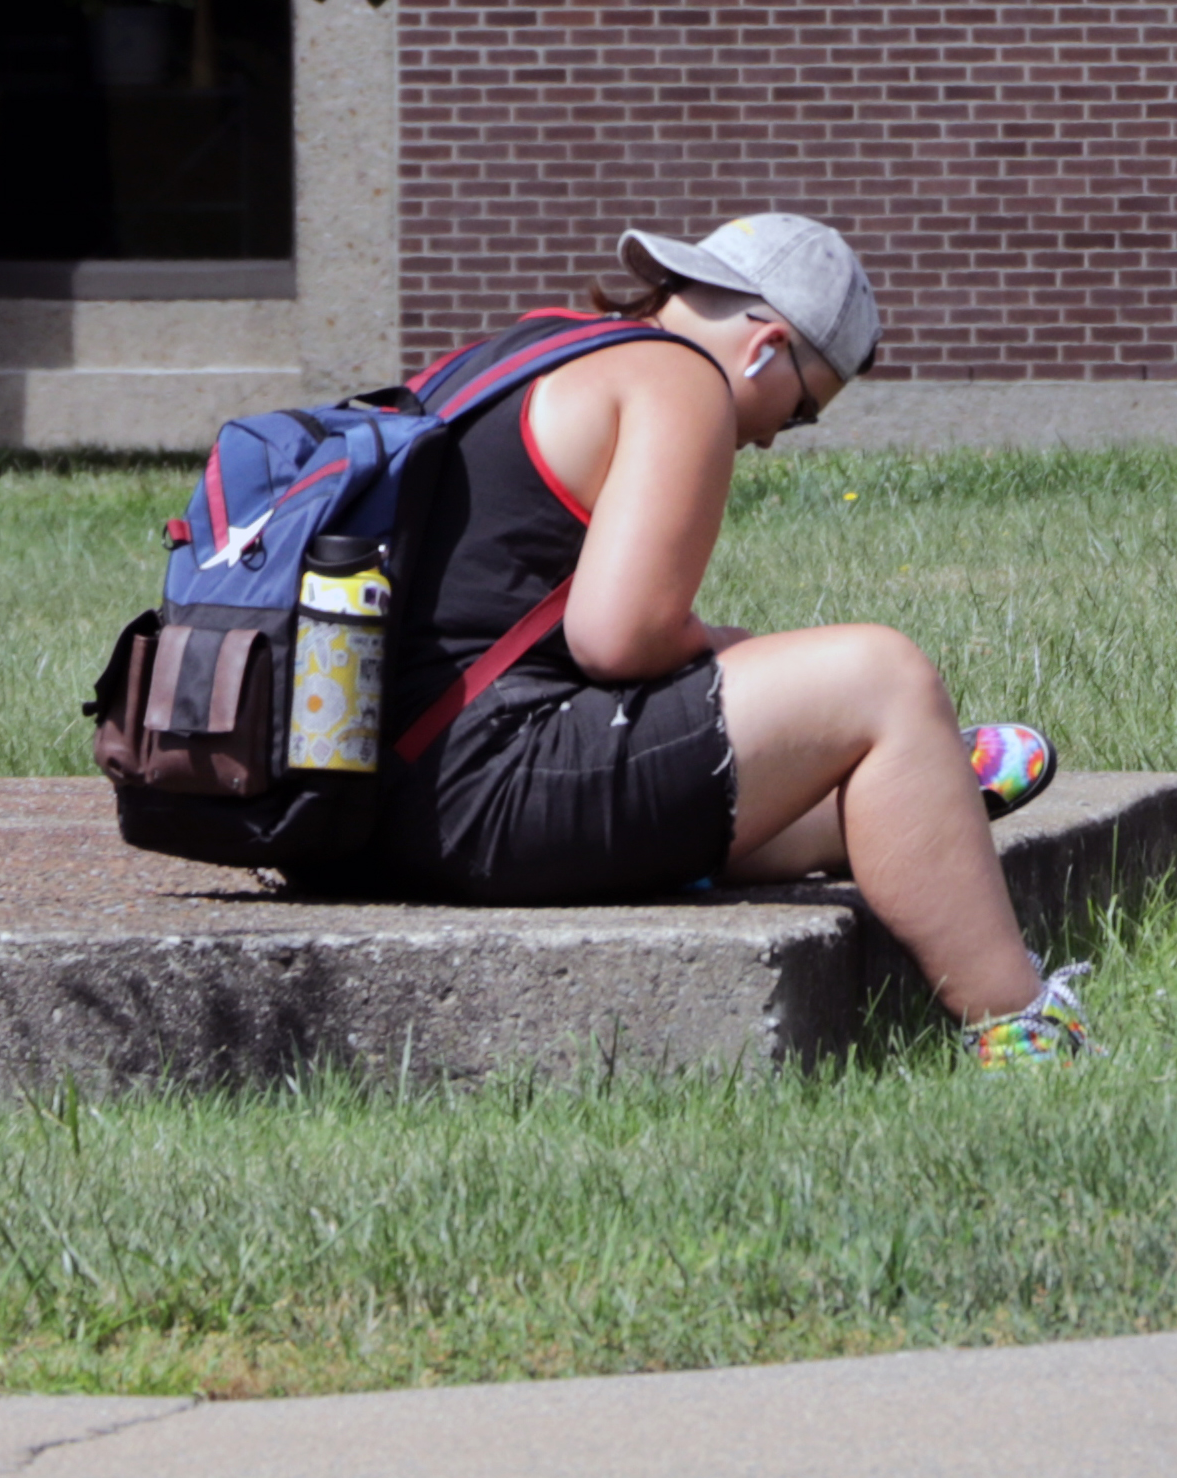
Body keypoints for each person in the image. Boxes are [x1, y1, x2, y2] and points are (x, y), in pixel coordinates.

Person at [376, 211, 1096, 1066]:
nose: (764, 439)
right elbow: (617, 637)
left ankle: (903, 796)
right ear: (767, 346)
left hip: (368, 807)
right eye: (796, 414)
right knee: (883, 678)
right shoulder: (681, 379)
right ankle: (1023, 1031)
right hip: (476, 798)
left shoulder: (535, 346)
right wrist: (724, 642)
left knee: (788, 707)